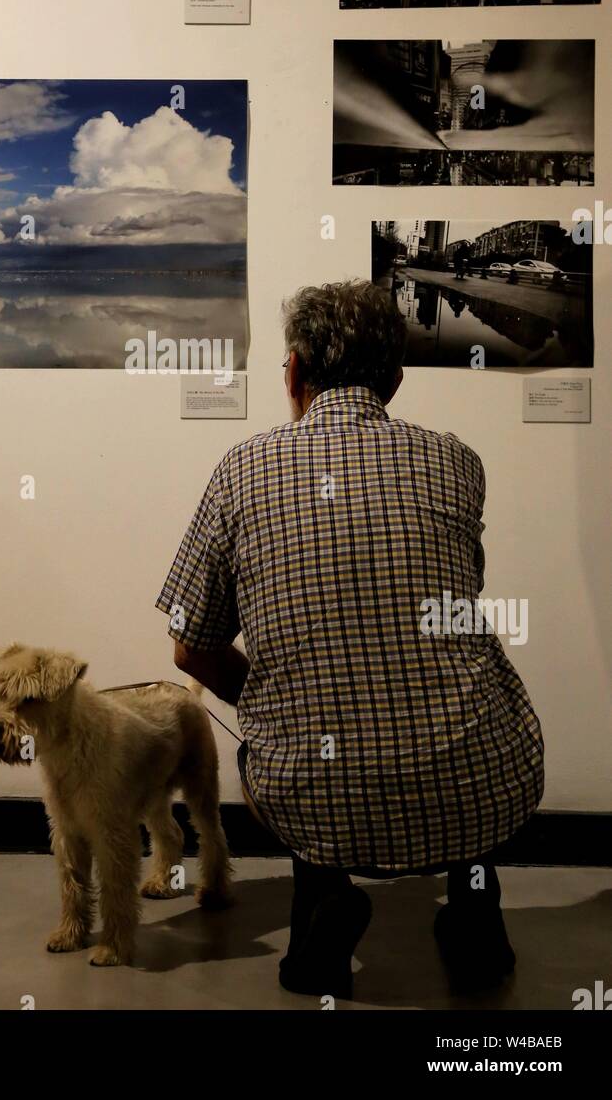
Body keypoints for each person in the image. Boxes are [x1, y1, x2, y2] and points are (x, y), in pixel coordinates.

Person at [156, 281, 544, 998]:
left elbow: (189, 646)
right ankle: (474, 916)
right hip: (473, 779)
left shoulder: (242, 470)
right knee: (473, 697)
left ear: (296, 372)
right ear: (394, 380)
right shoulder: (454, 461)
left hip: (312, 788)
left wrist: (270, 702)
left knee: (312, 729)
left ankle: (321, 910)